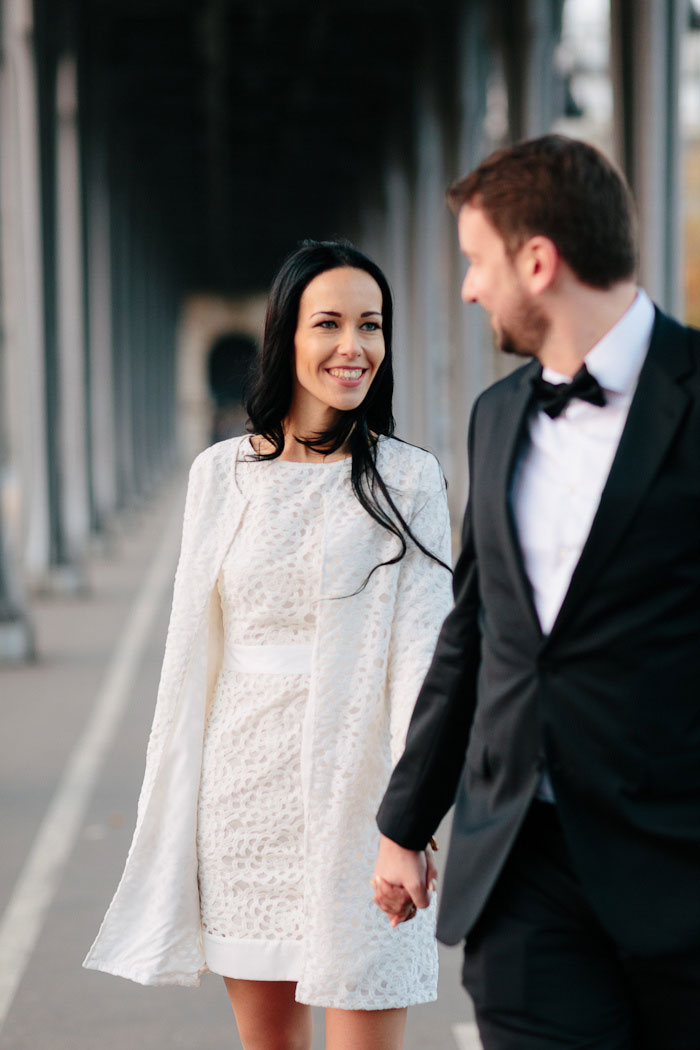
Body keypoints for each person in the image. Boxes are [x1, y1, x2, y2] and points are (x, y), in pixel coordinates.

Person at [372, 135, 700, 1050]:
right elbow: (475, 633)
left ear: (538, 261)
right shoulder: (497, 414)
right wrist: (406, 821)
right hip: (520, 869)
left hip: (677, 865)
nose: (469, 289)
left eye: (478, 262)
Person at [83, 239, 453, 1050]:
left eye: (372, 326)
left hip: (364, 807)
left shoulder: (411, 480)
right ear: (286, 336)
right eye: (329, 324)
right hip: (243, 803)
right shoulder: (218, 477)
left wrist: (414, 825)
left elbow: (425, 665)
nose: (353, 347)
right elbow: (193, 661)